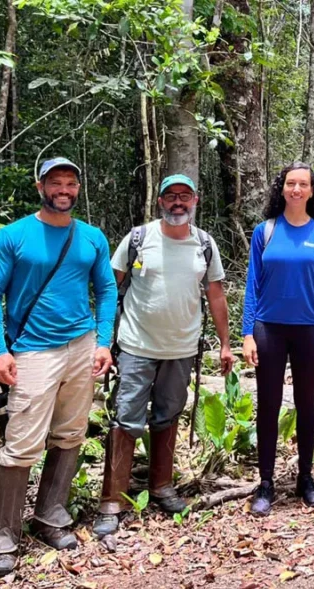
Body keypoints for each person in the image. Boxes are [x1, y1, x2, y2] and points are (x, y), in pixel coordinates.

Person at [0, 157, 117, 576]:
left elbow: (106, 288)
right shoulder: (14, 235)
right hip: (33, 351)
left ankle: (50, 514)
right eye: (55, 182)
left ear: (77, 189)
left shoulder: (91, 237)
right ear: (40, 187)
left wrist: (104, 340)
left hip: (82, 346)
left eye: (71, 183)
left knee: (71, 433)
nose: (64, 190)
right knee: (21, 441)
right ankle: (3, 535)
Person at [92, 174, 233, 536]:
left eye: (184, 197)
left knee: (169, 413)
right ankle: (112, 499)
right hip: (137, 345)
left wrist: (225, 343)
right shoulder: (139, 239)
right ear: (160, 202)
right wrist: (103, 340)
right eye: (170, 197)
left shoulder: (204, 244)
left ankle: (161, 487)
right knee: (126, 417)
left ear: (195, 201)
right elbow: (111, 285)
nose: (177, 203)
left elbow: (215, 294)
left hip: (182, 348)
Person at [241, 162, 314, 516]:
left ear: (312, 191)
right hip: (269, 327)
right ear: (282, 189)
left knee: (307, 404)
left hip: (308, 329)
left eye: (304, 184)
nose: (297, 190)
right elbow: (252, 285)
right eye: (291, 183)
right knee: (268, 404)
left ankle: (306, 478)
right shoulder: (264, 232)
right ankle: (266, 482)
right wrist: (247, 333)